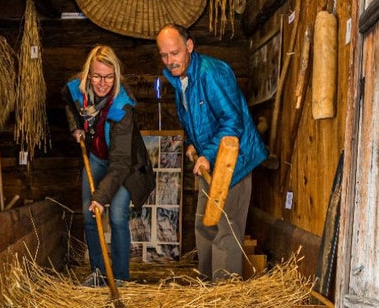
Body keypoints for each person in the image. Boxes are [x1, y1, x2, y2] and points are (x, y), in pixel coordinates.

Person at [156, 24, 268, 282]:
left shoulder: (211, 73)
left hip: (234, 162)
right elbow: (201, 118)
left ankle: (224, 294)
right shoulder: (180, 79)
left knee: (225, 230)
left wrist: (207, 153)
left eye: (174, 53)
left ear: (189, 47)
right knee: (204, 224)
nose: (170, 61)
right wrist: (197, 144)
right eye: (164, 55)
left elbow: (232, 122)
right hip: (210, 163)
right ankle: (206, 287)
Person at [64, 45, 155, 285]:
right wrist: (75, 126)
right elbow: (68, 101)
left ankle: (121, 278)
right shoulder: (79, 90)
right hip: (95, 157)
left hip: (125, 165)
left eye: (108, 76)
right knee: (89, 214)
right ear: (88, 74)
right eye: (97, 76)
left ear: (115, 75)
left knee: (115, 216)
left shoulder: (122, 108)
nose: (102, 83)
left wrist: (101, 196)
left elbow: (121, 163)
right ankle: (98, 274)